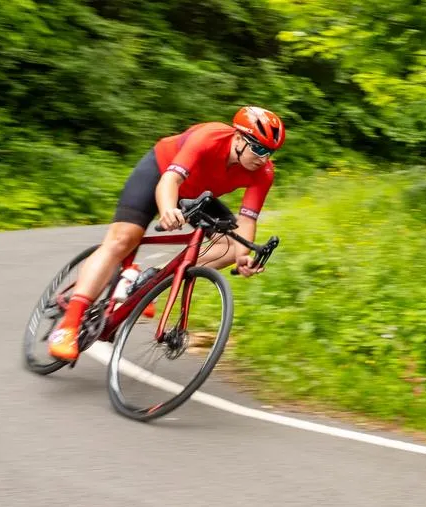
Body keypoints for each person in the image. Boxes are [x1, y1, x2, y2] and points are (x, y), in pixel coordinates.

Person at [47, 106, 286, 362]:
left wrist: (243, 256)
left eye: (270, 152)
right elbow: (170, 181)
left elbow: (247, 219)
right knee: (123, 239)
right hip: (161, 172)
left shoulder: (264, 172)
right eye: (259, 148)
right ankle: (68, 326)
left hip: (197, 194)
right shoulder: (209, 137)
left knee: (229, 245)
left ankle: (151, 278)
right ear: (238, 138)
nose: (263, 158)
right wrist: (168, 210)